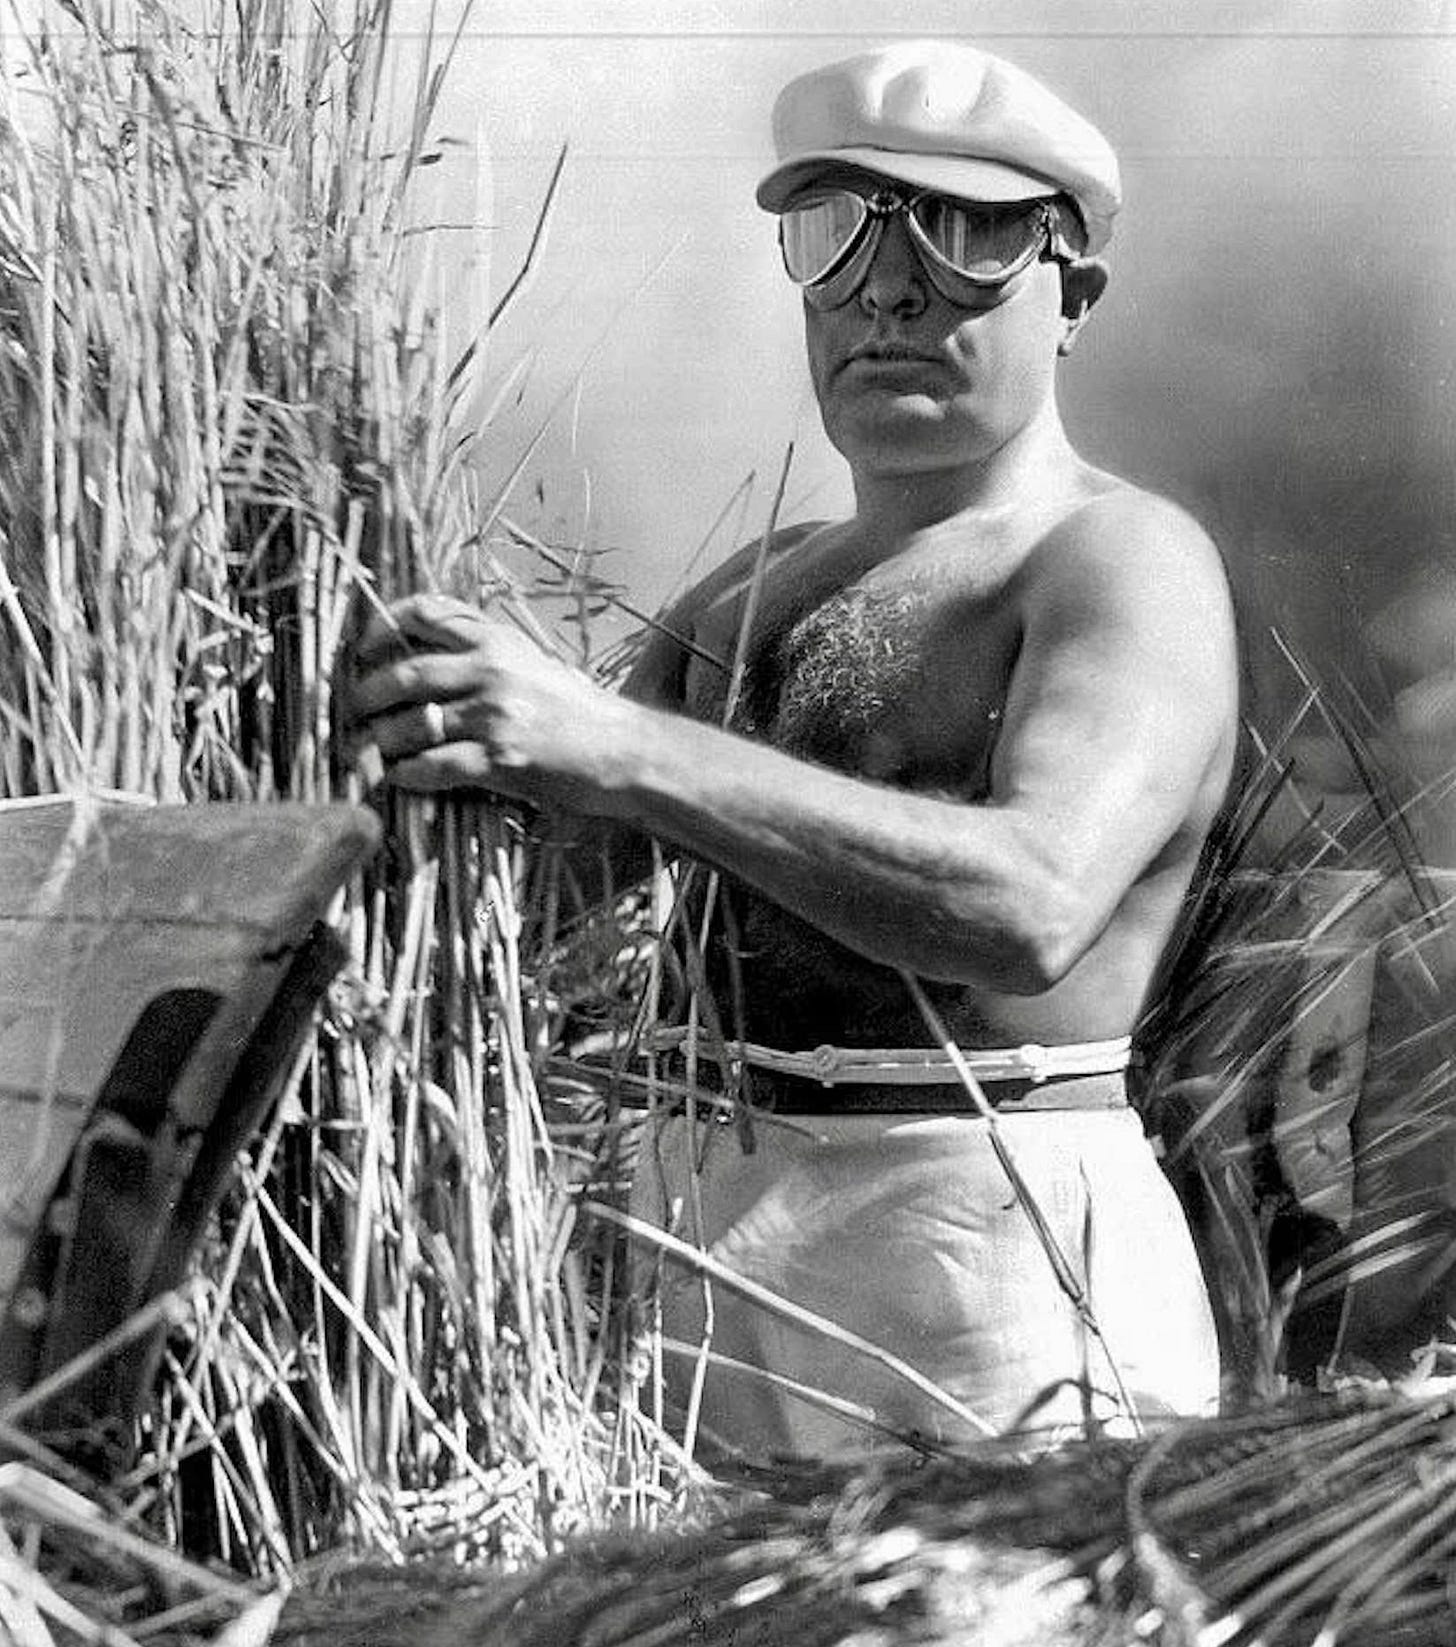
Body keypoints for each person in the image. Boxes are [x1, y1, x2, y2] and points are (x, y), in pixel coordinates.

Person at [346, 41, 1238, 1459]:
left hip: (987, 1235)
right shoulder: (743, 595)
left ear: (1072, 289)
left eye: (961, 234)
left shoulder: (1118, 562)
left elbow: (1031, 901)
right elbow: (559, 919)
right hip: (712, 1239)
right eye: (835, 234)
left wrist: (612, 742)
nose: (887, 286)